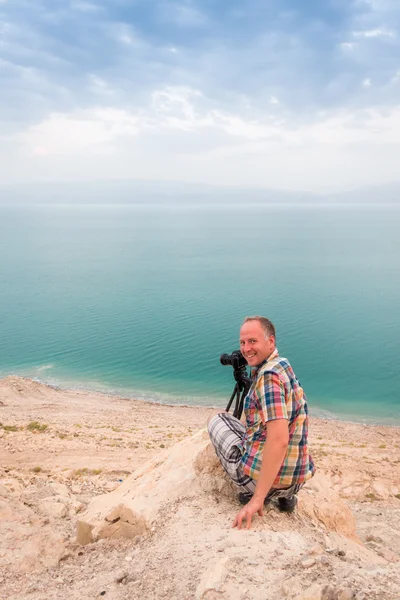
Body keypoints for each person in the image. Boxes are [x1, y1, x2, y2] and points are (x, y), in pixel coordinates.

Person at [208, 316, 315, 530]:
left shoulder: (267, 378)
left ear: (271, 342)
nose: (246, 349)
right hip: (296, 480)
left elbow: (279, 440)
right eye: (242, 342)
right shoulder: (283, 365)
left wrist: (257, 498)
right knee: (250, 429)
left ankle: (258, 491)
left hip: (262, 483)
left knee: (217, 419)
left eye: (253, 341)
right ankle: (286, 497)